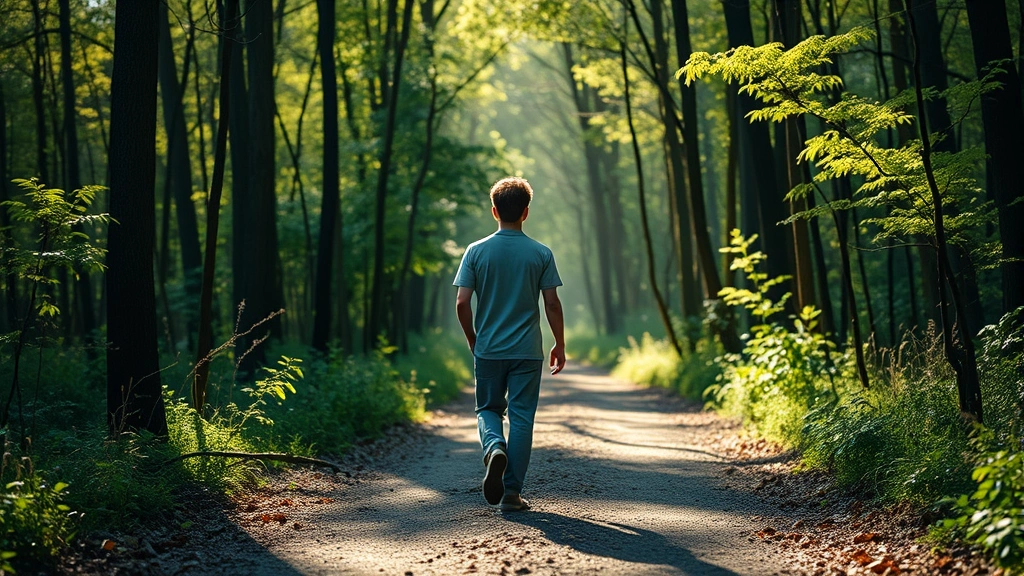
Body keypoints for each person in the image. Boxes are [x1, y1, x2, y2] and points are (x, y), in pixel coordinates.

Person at [453, 176, 566, 512]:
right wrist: (559, 343)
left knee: (488, 409)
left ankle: (494, 447)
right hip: (527, 352)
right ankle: (512, 493)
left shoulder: (475, 251)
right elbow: (552, 304)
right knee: (522, 418)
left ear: (494, 211)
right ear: (526, 212)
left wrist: (474, 339)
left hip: (488, 348)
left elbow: (462, 302)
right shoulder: (541, 253)